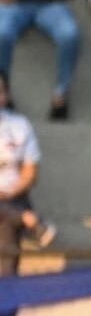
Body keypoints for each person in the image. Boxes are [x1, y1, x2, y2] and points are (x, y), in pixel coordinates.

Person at [0, 69, 54, 277]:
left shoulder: (19, 125)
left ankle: (5, 302)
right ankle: (26, 219)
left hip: (14, 197)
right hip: (15, 207)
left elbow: (31, 172)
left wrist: (8, 195)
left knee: (6, 223)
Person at [0, 0, 80, 120]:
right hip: (16, 5)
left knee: (69, 34)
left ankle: (61, 92)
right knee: (2, 33)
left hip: (52, 5)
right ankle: (2, 89)